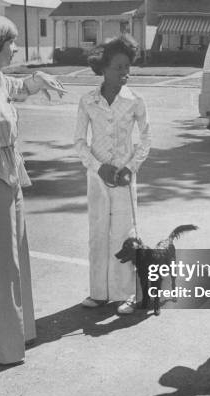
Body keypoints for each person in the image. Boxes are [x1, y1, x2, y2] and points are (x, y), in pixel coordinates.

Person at [0, 14, 66, 365]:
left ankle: (20, 333)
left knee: (15, 259)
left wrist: (41, 78)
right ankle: (3, 349)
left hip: (11, 178)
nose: (17, 48)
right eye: (12, 42)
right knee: (0, 269)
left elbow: (21, 87)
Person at [73, 35, 151, 315]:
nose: (124, 73)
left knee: (124, 235)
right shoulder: (88, 101)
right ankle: (98, 293)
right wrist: (97, 167)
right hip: (97, 178)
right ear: (103, 68)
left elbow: (146, 139)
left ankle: (125, 293)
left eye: (127, 67)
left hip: (124, 179)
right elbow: (79, 142)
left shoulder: (135, 101)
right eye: (118, 67)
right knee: (97, 233)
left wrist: (130, 168)